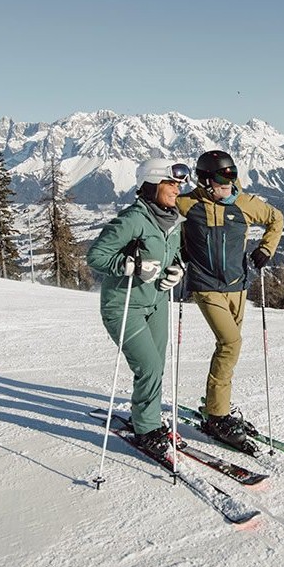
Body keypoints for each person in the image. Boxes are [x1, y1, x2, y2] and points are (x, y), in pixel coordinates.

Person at [176, 149, 284, 450]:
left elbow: (277, 219)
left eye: (232, 176)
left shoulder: (244, 203)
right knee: (230, 343)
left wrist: (266, 249)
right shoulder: (189, 204)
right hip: (205, 286)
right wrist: (178, 249)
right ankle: (217, 415)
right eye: (223, 179)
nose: (229, 184)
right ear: (206, 181)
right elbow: (161, 215)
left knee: (228, 347)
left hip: (238, 287)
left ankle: (217, 401)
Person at [86, 158, 190, 456]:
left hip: (156, 302)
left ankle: (148, 418)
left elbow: (175, 255)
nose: (177, 189)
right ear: (152, 185)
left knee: (156, 365)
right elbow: (96, 256)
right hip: (124, 305)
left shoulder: (173, 220)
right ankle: (147, 429)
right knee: (149, 365)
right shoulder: (132, 219)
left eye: (179, 183)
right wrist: (131, 265)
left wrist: (177, 270)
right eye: (171, 183)